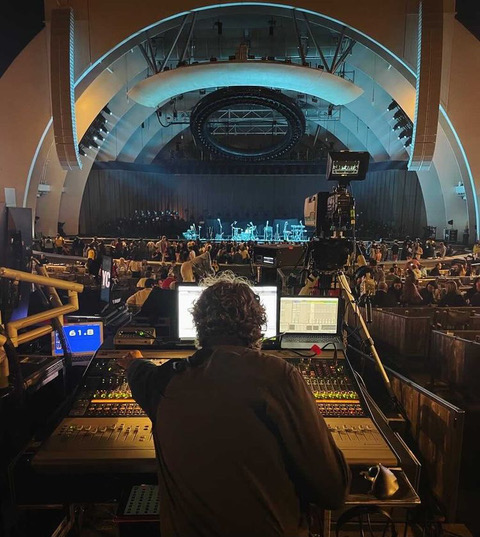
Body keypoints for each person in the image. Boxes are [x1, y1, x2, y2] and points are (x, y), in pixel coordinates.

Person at [118, 273, 350, 537]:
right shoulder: (278, 375)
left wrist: (133, 361)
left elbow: (139, 372)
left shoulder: (162, 381)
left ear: (198, 326)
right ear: (258, 327)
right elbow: (332, 490)